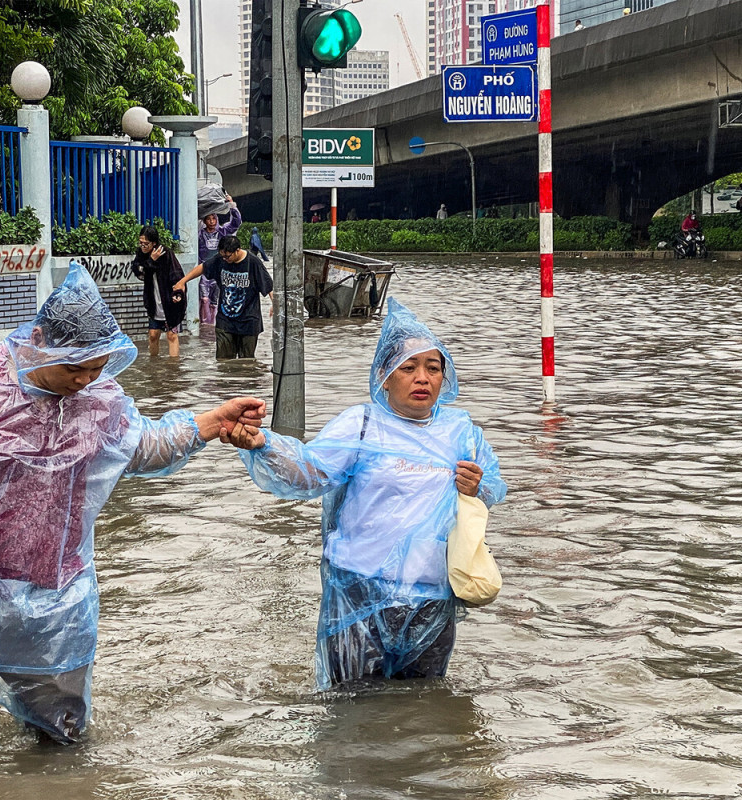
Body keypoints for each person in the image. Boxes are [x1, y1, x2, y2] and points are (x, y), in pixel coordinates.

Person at [0, 262, 265, 744]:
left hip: (55, 608)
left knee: (62, 742)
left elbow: (141, 447)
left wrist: (209, 423)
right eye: (74, 367)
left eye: (95, 368)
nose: (83, 381)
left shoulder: (101, 399)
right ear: (40, 338)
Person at [222, 298, 507, 689]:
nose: (422, 378)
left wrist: (478, 487)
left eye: (433, 368)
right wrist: (262, 445)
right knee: (351, 711)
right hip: (358, 591)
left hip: (432, 596)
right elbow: (309, 473)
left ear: (445, 378)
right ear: (385, 376)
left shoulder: (461, 431)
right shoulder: (362, 425)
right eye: (408, 368)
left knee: (423, 711)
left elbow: (493, 487)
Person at [174, 235, 273, 360]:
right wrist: (182, 282)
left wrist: (274, 304)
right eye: (223, 256)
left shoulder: (253, 262)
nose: (225, 259)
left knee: (246, 362)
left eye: (228, 256)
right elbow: (203, 267)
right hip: (225, 320)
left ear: (237, 250)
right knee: (223, 361)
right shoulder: (220, 259)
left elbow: (269, 285)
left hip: (249, 320)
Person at [130, 226, 186, 357]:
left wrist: (178, 294)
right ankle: (154, 363)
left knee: (171, 335)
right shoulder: (141, 254)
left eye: (146, 244)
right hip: (153, 301)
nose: (143, 246)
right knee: (153, 335)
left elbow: (177, 275)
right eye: (141, 243)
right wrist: (151, 261)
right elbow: (139, 272)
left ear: (154, 243)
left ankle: (173, 367)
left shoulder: (166, 253)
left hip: (169, 301)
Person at [197, 193, 241, 327]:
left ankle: (213, 326)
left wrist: (232, 205)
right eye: (208, 219)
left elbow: (236, 223)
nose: (211, 221)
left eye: (213, 218)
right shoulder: (199, 234)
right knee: (204, 298)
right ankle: (204, 324)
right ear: (204, 221)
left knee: (215, 301)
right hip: (204, 271)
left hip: (219, 271)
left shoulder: (222, 232)